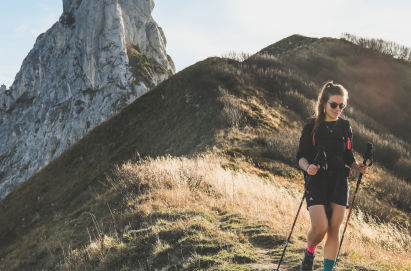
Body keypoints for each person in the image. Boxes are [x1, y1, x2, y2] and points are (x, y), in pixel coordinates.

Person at [296, 81, 369, 271]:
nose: (338, 109)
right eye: (334, 105)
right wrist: (308, 167)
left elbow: (348, 156)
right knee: (320, 228)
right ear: (323, 103)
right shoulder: (311, 126)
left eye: (342, 106)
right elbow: (300, 157)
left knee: (334, 229)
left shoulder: (345, 127)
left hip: (339, 180)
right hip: (317, 180)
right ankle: (310, 252)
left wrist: (356, 166)